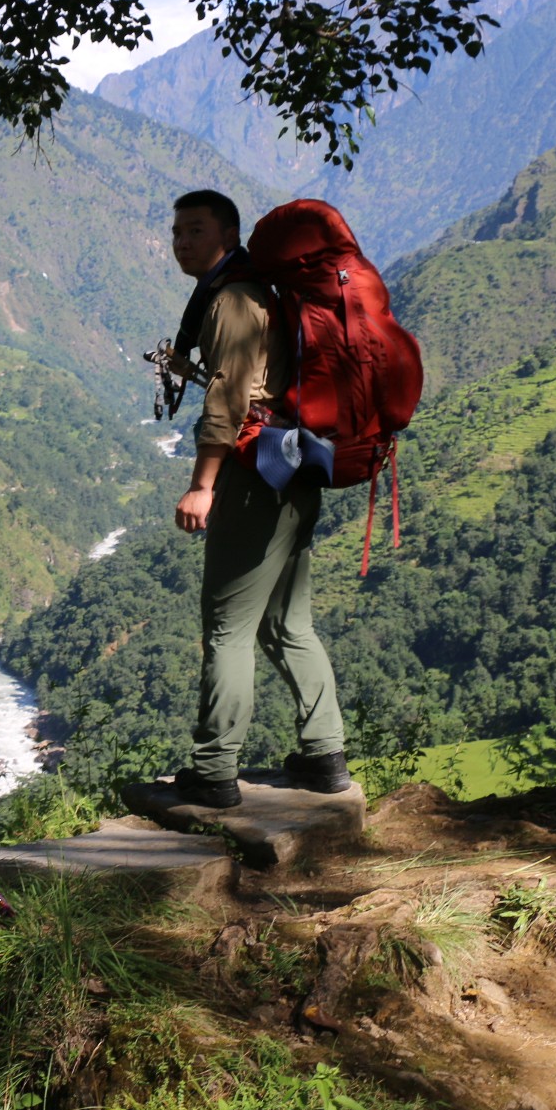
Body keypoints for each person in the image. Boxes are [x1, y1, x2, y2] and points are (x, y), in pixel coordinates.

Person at [163, 190, 350, 809]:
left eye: (195, 230)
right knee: (286, 623)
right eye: (176, 232)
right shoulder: (252, 290)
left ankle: (214, 773)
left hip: (255, 473)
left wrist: (202, 486)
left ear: (228, 234)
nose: (181, 242)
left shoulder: (233, 300)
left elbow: (227, 405)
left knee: (227, 628)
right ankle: (325, 757)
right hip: (294, 465)